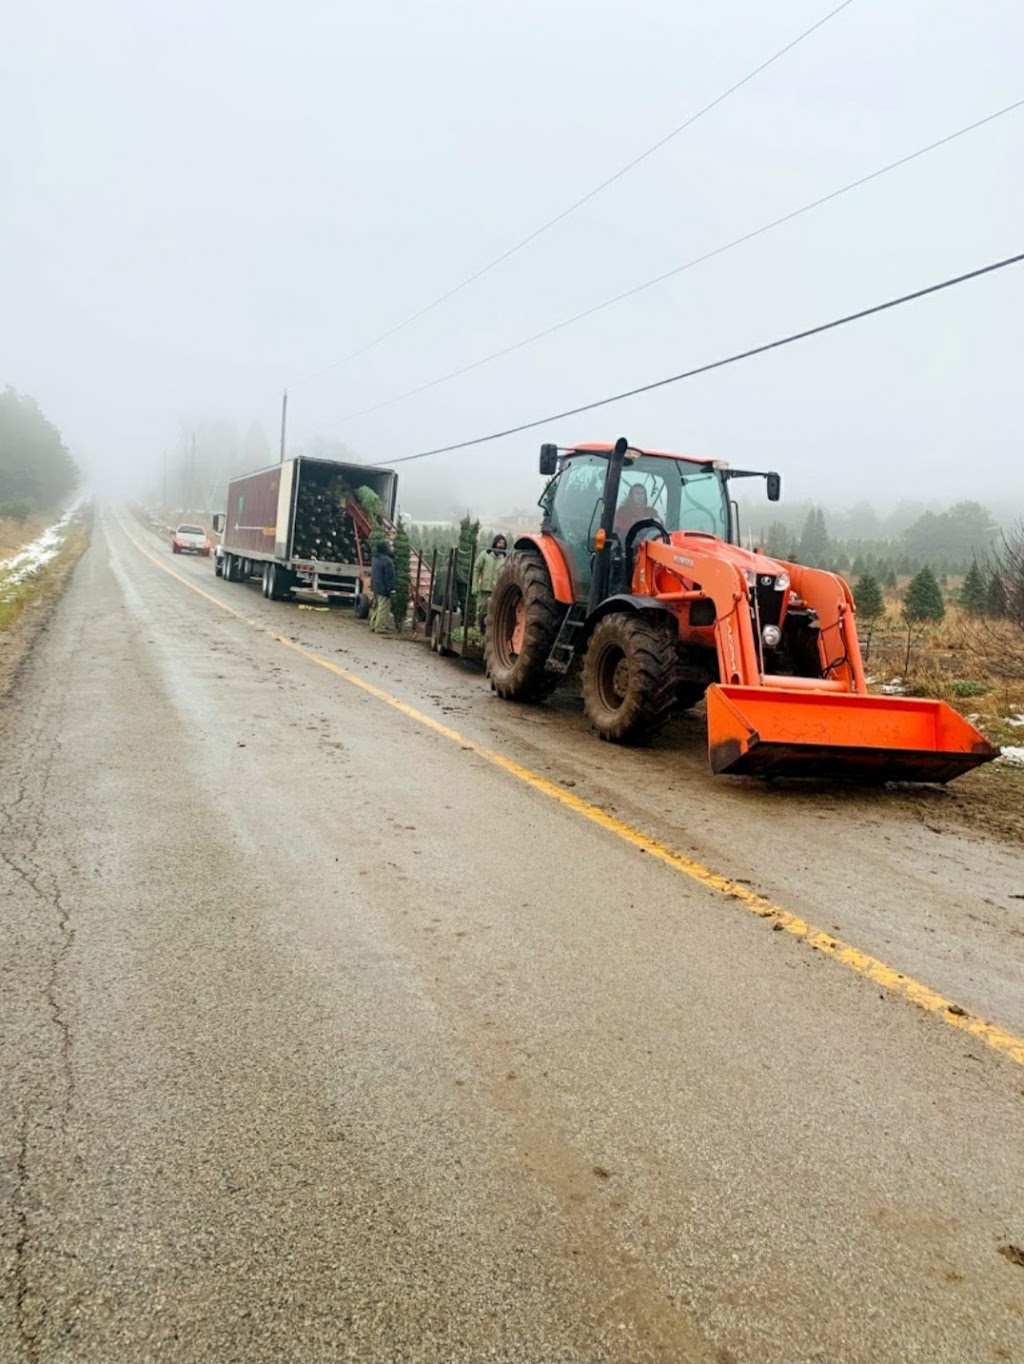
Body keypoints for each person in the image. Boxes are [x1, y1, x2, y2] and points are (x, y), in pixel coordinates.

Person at [474, 534, 508, 629]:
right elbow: (476, 569)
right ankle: (478, 630)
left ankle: (487, 633)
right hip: (485, 589)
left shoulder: (505, 559)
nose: (501, 545)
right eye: (499, 542)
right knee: (481, 612)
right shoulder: (485, 555)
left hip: (496, 591)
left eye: (503, 543)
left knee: (494, 614)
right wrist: (475, 585)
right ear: (495, 543)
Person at [369, 539, 395, 634]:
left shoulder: (375, 559)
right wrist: (391, 589)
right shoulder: (387, 561)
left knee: (377, 607)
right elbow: (389, 577)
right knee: (383, 608)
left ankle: (373, 625)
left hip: (376, 587)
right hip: (383, 589)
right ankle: (380, 627)